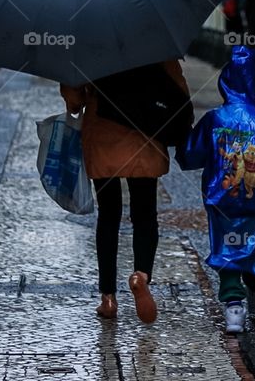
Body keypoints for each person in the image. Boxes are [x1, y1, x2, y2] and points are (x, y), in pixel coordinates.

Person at [60, 59, 191, 324]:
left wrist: (80, 96)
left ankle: (108, 298)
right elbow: (179, 91)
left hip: (102, 135)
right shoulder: (156, 42)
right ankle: (140, 275)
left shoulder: (91, 43)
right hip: (144, 135)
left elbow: (74, 99)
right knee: (144, 215)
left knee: (108, 215)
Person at [177, 46, 255, 333]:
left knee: (225, 246)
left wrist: (183, 133)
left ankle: (234, 306)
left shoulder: (215, 119)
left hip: (221, 199)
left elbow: (190, 155)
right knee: (254, 244)